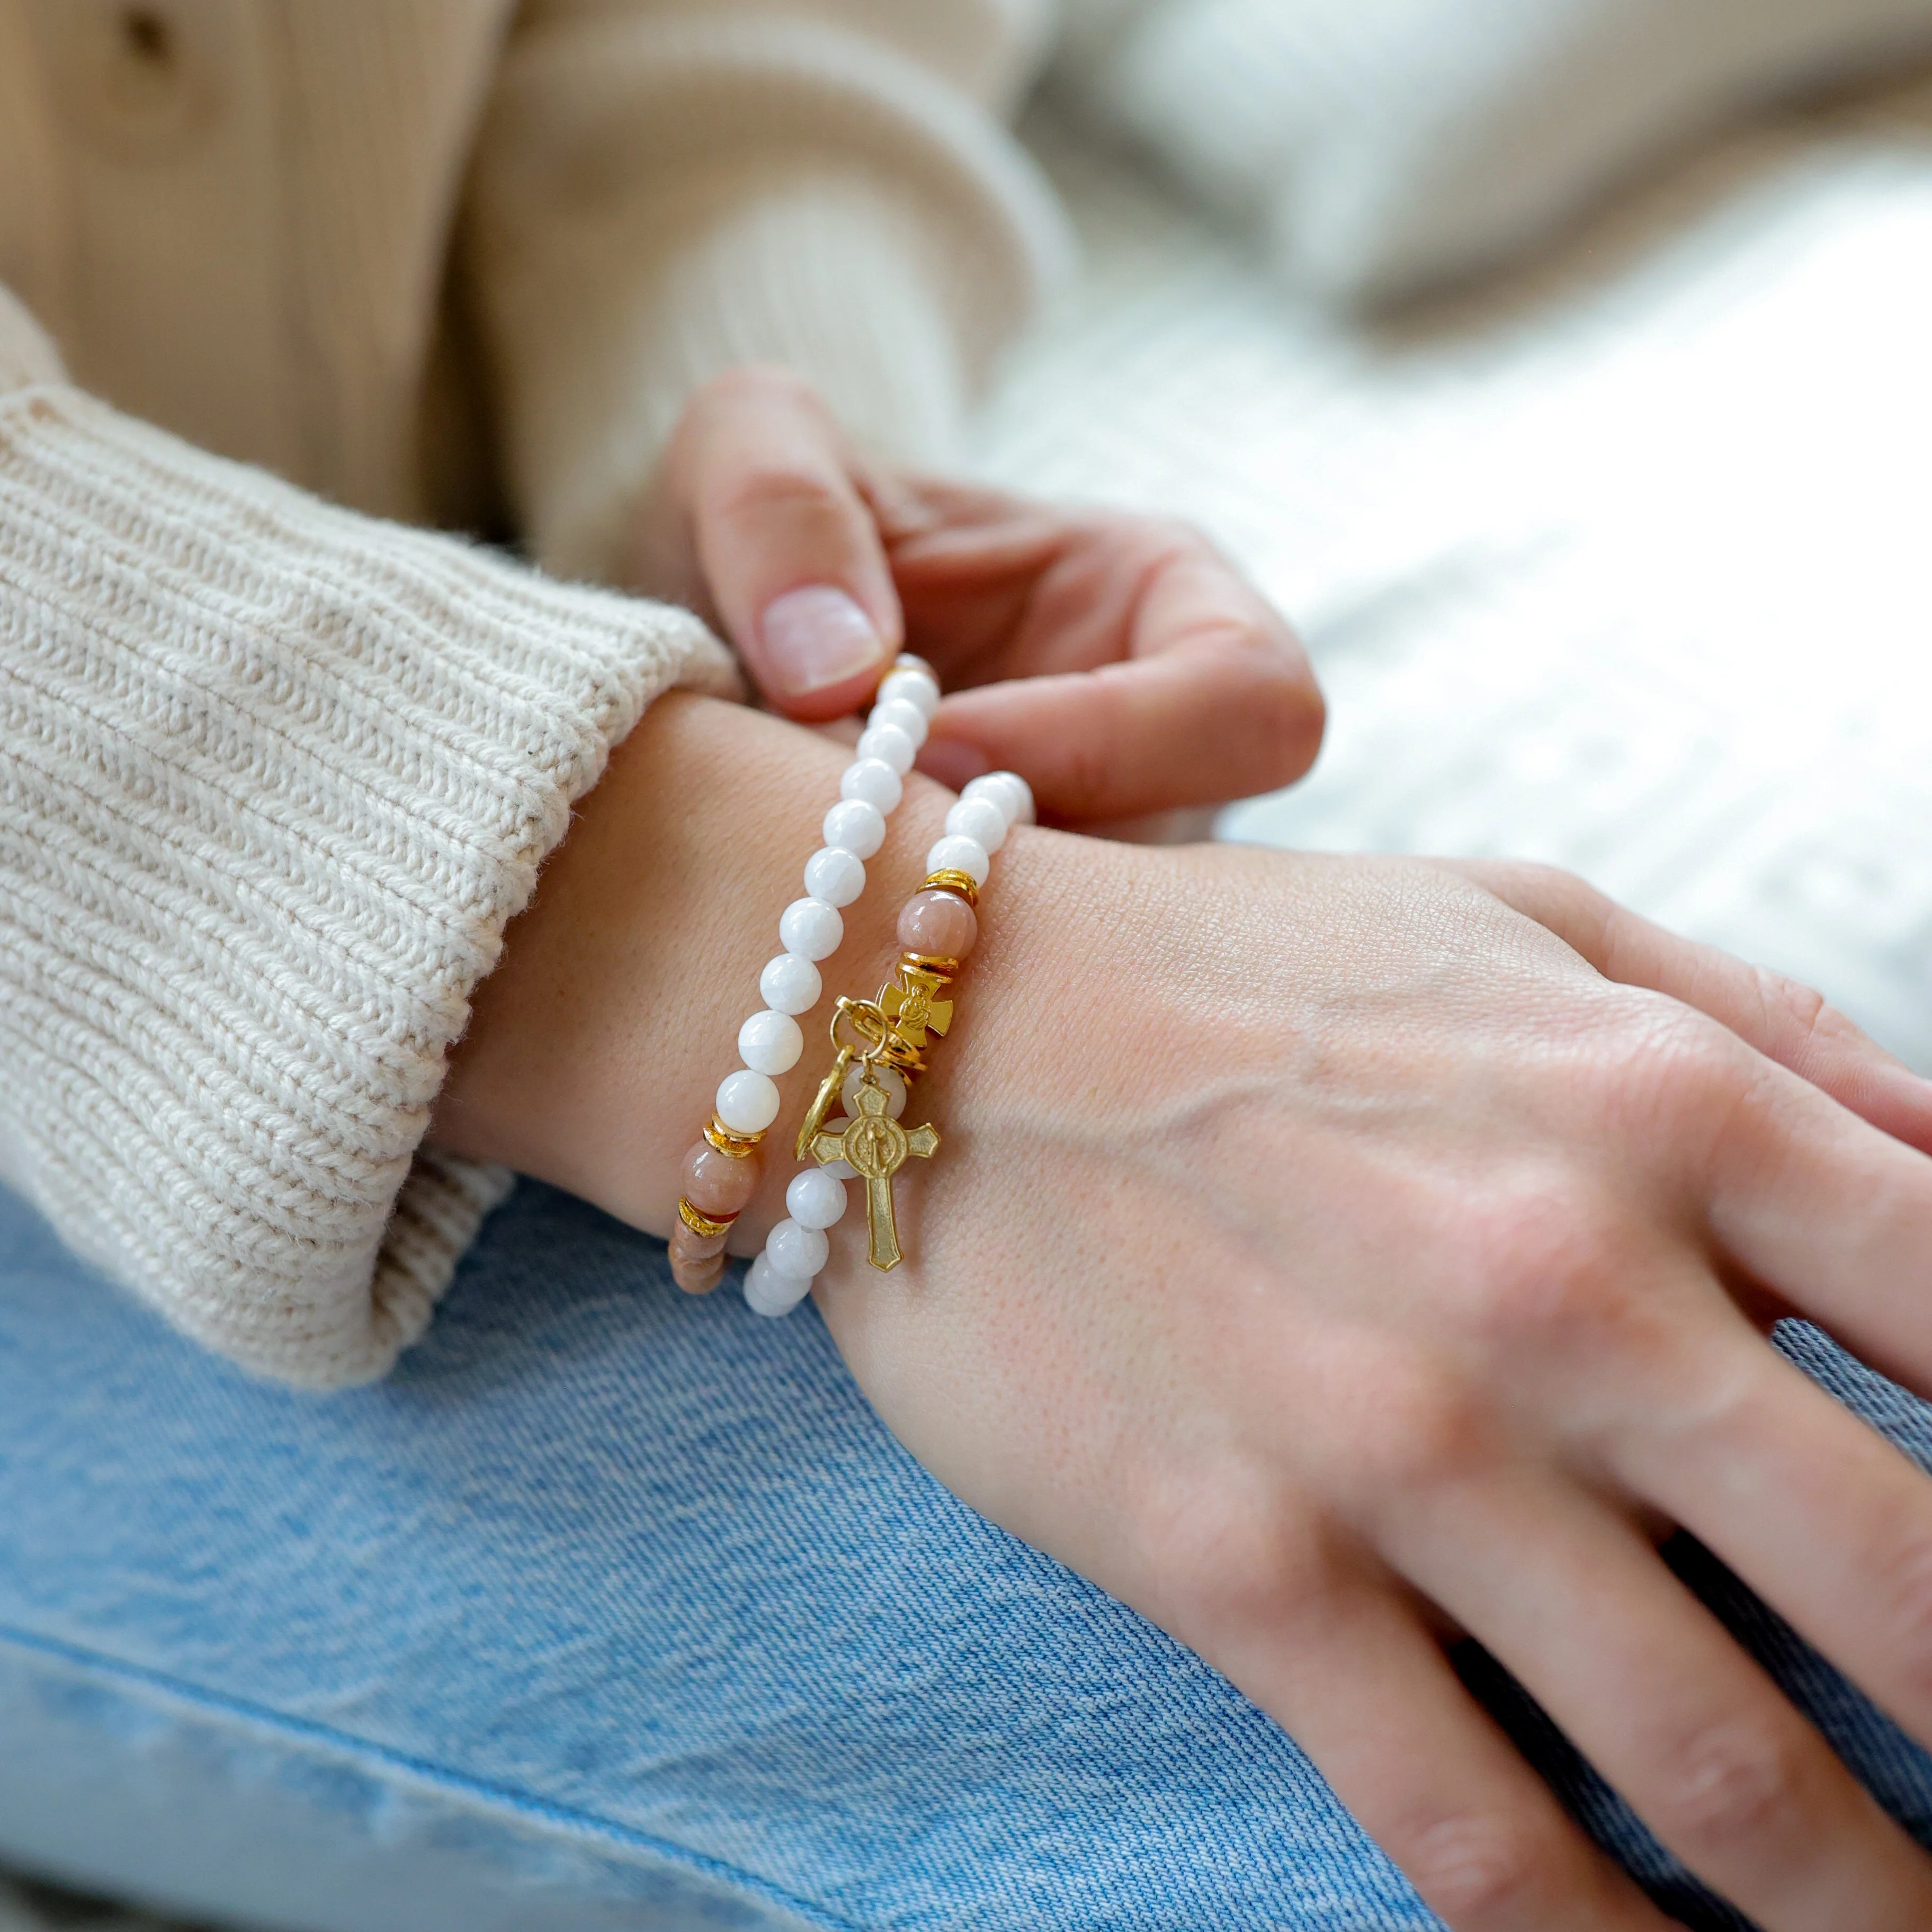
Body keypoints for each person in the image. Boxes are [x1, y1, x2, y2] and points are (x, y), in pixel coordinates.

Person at [5, 6, 1932, 1930]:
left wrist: (732, 390)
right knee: (1743, 1680)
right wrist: (772, 934)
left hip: (679, 755)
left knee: (1758, 1453)